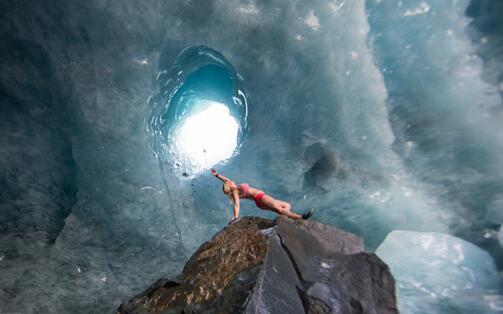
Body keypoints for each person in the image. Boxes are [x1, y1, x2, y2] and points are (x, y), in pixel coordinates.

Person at [211, 168, 314, 224]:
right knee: (280, 209)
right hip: (260, 199)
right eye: (228, 182)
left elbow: (225, 180)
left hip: (261, 198)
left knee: (286, 205)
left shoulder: (234, 186)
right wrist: (235, 217)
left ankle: (289, 219)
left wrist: (217, 175)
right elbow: (237, 205)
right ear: (229, 186)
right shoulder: (235, 192)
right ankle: (301, 217)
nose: (229, 180)